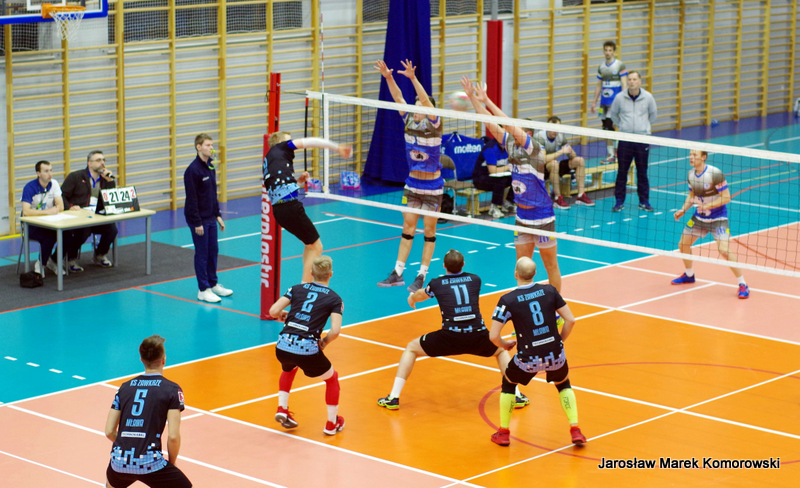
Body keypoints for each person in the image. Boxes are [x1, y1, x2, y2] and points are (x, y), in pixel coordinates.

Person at [377, 249, 529, 410]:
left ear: (443, 265)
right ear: (463, 264)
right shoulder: (475, 279)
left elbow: (421, 295)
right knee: (501, 351)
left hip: (449, 338)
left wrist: (412, 298)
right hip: (477, 335)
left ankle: (393, 397)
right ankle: (516, 395)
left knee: (411, 348)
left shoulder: (436, 283)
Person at [460, 76, 563, 293]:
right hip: (522, 217)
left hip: (542, 217)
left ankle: (556, 306)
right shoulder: (510, 144)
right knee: (521, 268)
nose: (513, 131)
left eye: (519, 129)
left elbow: (508, 125)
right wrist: (473, 98)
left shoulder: (534, 148)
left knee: (550, 265)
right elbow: (489, 121)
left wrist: (487, 100)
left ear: (529, 133)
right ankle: (523, 303)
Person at [488, 257, 586, 447]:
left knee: (509, 383)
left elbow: (493, 336)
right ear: (535, 274)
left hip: (528, 359)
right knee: (563, 384)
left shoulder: (508, 300)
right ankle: (575, 429)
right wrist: (559, 340)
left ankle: (504, 433)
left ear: (516, 274)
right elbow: (571, 320)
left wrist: (505, 344)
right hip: (555, 355)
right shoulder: (550, 291)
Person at [374, 59, 443, 293]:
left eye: (420, 105)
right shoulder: (408, 119)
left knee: (429, 232)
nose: (416, 107)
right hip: (412, 185)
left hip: (433, 187)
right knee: (407, 228)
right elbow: (398, 98)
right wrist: (389, 77)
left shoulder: (435, 125)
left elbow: (425, 102)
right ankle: (398, 272)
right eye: (415, 105)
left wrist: (413, 78)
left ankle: (422, 275)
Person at [269, 255, 345, 435]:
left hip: (283, 345)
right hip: (307, 349)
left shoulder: (296, 288)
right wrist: (324, 342)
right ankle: (331, 424)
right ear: (331, 274)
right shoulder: (335, 299)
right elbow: (335, 331)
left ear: (311, 273)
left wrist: (284, 315)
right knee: (331, 378)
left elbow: (273, 311)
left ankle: (282, 408)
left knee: (289, 368)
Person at [264, 131, 352, 283]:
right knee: (317, 246)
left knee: (309, 245)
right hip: (290, 207)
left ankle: (304, 285)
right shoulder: (283, 147)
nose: (292, 144)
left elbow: (280, 191)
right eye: (289, 141)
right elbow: (311, 141)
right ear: (281, 142)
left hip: (280, 210)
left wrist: (298, 182)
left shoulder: (269, 159)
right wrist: (337, 148)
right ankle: (304, 289)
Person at [104, 335, 192, 488]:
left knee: (110, 484)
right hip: (150, 462)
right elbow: (173, 436)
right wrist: (171, 464)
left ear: (141, 360)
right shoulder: (172, 390)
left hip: (120, 461)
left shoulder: (124, 388)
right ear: (163, 360)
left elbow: (109, 431)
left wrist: (130, 446)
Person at [671, 149, 750, 299]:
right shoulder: (690, 174)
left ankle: (743, 284)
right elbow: (691, 195)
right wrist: (683, 209)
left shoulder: (715, 174)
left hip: (718, 219)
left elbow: (726, 197)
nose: (691, 157)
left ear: (704, 157)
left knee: (724, 250)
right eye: (690, 155)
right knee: (683, 244)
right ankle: (689, 275)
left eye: (694, 155)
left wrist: (707, 206)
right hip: (699, 218)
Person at [607, 70, 658, 212]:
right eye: (629, 79)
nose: (632, 82)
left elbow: (653, 115)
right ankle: (619, 202)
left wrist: (643, 128)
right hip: (625, 140)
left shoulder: (648, 97)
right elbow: (613, 115)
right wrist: (624, 128)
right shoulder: (619, 97)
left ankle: (644, 201)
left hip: (642, 139)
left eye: (635, 79)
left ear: (640, 81)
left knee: (642, 172)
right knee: (622, 172)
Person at [61, 150, 119, 272]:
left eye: (103, 160)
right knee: (84, 231)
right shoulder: (76, 177)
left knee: (111, 229)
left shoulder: (105, 179)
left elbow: (110, 200)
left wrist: (110, 182)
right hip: (78, 218)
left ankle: (100, 255)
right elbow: (62, 196)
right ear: (89, 163)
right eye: (98, 160)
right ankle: (70, 258)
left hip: (95, 217)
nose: (102, 163)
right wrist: (70, 207)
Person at [530, 116, 595, 209]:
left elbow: (573, 156)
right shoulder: (540, 137)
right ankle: (558, 198)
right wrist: (561, 151)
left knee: (580, 160)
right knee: (554, 163)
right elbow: (543, 159)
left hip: (554, 166)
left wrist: (570, 152)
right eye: (553, 128)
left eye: (558, 128)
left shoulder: (560, 137)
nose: (555, 131)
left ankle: (581, 196)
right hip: (539, 169)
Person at [20, 160, 65, 277]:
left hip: (50, 223)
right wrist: (47, 212)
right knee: (50, 237)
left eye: (51, 170)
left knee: (68, 233)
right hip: (32, 226)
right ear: (38, 173)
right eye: (46, 171)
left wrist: (54, 210)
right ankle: (41, 264)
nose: (50, 174)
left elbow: (60, 206)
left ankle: (53, 261)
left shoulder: (54, 184)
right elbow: (26, 211)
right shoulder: (30, 187)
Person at [590, 40, 628, 164]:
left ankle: (617, 153)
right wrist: (594, 102)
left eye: (610, 50)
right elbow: (598, 85)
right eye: (606, 50)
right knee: (606, 129)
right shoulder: (601, 67)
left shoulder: (619, 65)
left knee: (615, 127)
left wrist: (624, 101)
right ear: (603, 51)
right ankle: (611, 154)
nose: (608, 52)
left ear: (614, 52)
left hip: (616, 103)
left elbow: (624, 84)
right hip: (604, 104)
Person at [471, 136, 516, 219]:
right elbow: (493, 170)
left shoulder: (508, 148)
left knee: (517, 178)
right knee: (500, 181)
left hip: (499, 175)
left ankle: (508, 203)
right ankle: (494, 207)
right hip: (480, 179)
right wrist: (509, 166)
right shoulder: (490, 149)